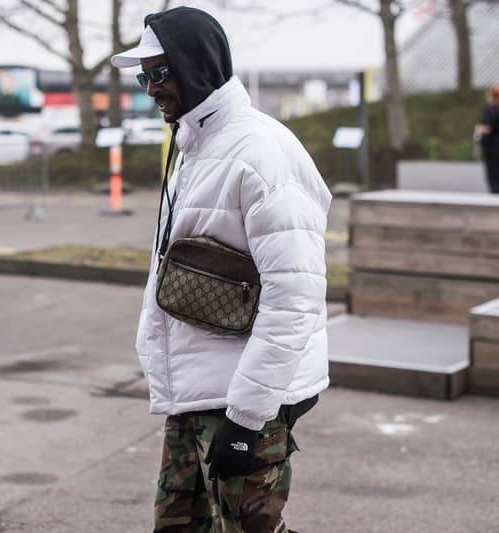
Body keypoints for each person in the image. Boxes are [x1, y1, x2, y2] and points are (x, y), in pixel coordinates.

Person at [111, 7, 331, 532]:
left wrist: (246, 419)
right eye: (144, 76)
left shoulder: (259, 152)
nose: (150, 89)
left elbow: (294, 296)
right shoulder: (198, 144)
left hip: (241, 403)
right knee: (178, 525)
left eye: (160, 73)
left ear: (196, 65)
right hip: (196, 392)